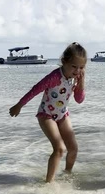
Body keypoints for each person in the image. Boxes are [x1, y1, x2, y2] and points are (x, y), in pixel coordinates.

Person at [9, 42, 87, 183]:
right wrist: (19, 105)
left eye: (81, 67)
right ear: (64, 62)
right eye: (74, 66)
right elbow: (35, 90)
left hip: (63, 115)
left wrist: (81, 83)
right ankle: (48, 183)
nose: (77, 71)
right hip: (46, 115)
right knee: (59, 148)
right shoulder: (54, 77)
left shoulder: (76, 78)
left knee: (73, 149)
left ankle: (67, 175)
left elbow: (79, 99)